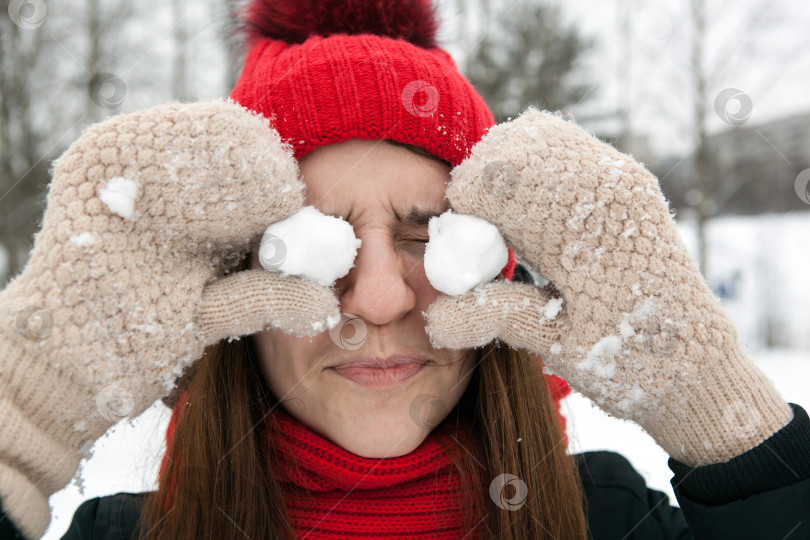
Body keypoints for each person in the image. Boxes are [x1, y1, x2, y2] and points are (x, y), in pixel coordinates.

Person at [1, 0, 809, 538]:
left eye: (428, 234)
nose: (380, 298)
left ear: (499, 272)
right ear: (230, 286)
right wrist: (25, 422)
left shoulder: (610, 518)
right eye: (315, 243)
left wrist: (725, 425)